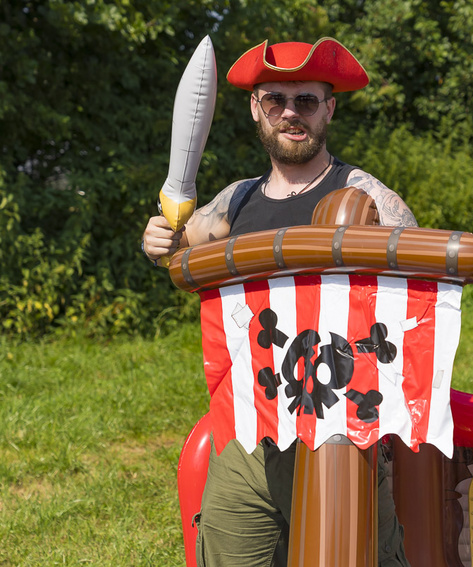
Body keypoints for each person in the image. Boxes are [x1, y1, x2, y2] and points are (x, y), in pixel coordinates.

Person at [141, 37, 415, 567]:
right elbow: (178, 243)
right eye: (276, 101)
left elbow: (414, 294)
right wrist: (158, 240)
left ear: (328, 109)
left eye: (307, 101)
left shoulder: (366, 197)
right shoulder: (235, 201)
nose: (291, 113)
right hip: (245, 431)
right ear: (256, 109)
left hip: (338, 435)